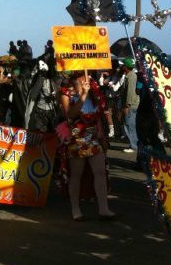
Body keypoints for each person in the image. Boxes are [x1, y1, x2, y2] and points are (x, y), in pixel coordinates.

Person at [59, 72, 115, 221]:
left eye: (89, 75)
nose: (88, 78)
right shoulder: (66, 93)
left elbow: (97, 117)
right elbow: (69, 114)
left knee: (100, 172)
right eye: (84, 76)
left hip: (94, 138)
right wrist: (83, 95)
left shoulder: (94, 92)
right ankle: (76, 210)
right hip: (76, 139)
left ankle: (104, 209)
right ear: (76, 78)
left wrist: (102, 136)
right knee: (76, 174)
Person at [121, 58, 140, 155]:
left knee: (130, 125)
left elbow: (130, 92)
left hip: (131, 105)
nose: (121, 66)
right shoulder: (130, 75)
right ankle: (133, 144)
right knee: (130, 125)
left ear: (126, 66)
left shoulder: (131, 76)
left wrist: (127, 105)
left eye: (123, 65)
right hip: (132, 104)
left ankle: (134, 146)